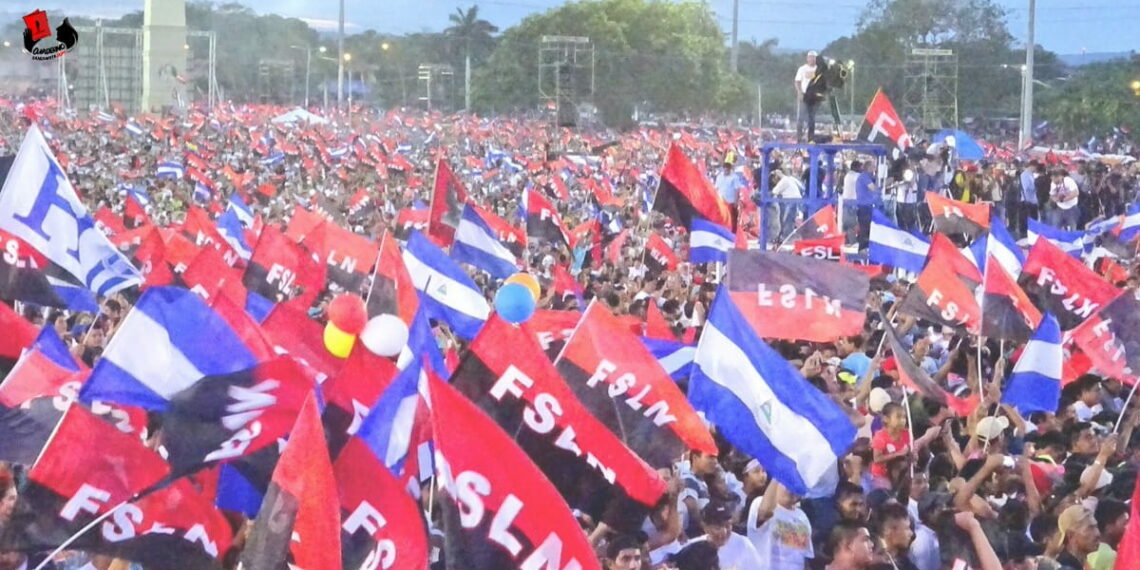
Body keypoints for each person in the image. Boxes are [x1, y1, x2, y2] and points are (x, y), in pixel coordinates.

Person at [748, 480, 814, 569]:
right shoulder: (759, 502)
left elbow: (805, 556)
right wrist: (778, 474)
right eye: (787, 483)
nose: (791, 488)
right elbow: (764, 513)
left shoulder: (802, 516)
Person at [693, 502, 764, 570]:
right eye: (718, 527)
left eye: (727, 526)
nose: (724, 531)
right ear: (706, 528)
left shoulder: (743, 544)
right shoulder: (693, 548)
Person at [1054, 505, 1100, 570]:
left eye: (1096, 527)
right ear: (1071, 536)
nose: (1097, 533)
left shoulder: (1082, 564)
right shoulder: (1064, 567)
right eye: (1090, 529)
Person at [795, 51, 819, 141]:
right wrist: (799, 92)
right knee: (800, 117)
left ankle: (811, 138)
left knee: (812, 118)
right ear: (807, 58)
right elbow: (797, 81)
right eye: (810, 57)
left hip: (814, 96)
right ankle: (799, 137)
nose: (812, 59)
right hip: (805, 94)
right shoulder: (802, 69)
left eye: (814, 57)